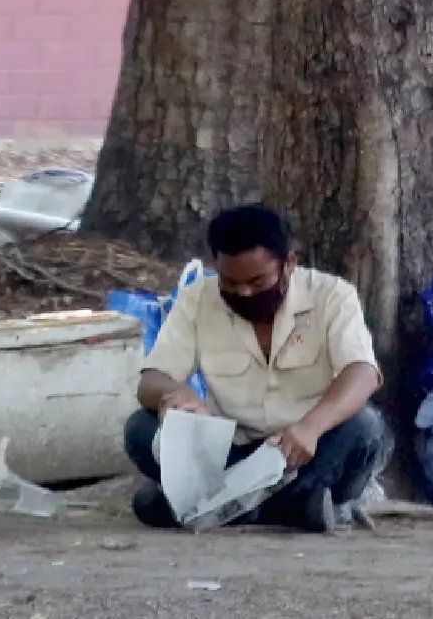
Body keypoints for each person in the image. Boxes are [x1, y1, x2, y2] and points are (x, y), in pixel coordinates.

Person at [124, 204, 388, 534]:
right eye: (230, 283)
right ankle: (292, 507)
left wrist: (310, 427)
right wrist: (173, 395)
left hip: (306, 451)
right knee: (140, 428)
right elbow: (152, 379)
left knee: (365, 428)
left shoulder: (332, 295)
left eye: (257, 282)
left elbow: (362, 372)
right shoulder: (197, 299)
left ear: (288, 264)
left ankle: (217, 508)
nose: (244, 293)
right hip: (229, 453)